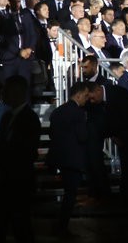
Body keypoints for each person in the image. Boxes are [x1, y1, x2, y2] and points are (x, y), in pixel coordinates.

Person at [0, 76, 40, 242]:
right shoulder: (6, 117)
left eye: (8, 90)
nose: (4, 94)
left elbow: (26, 151)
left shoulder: (30, 118)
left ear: (17, 92)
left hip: (19, 181)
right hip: (3, 181)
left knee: (21, 226)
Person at [46, 82, 89, 236]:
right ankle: (62, 227)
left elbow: (52, 134)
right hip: (73, 159)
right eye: (85, 96)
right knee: (70, 195)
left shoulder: (58, 111)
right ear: (78, 95)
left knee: (68, 194)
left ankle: (61, 226)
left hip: (59, 157)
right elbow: (82, 136)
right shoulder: (78, 113)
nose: (86, 99)